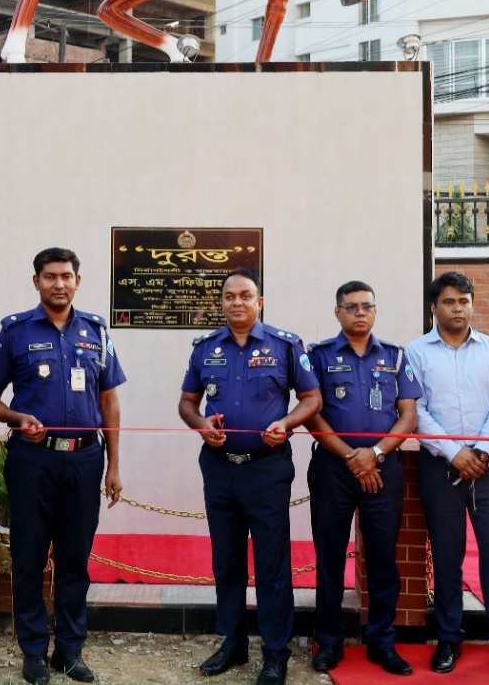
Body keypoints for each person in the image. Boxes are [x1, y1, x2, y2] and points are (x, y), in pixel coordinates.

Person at [0, 248, 126, 685]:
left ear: (78, 281)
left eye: (66, 276)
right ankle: (34, 652)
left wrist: (114, 464)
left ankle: (71, 651)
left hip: (84, 458)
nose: (58, 284)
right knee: (29, 558)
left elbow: (109, 400)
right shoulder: (16, 332)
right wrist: (16, 418)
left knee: (76, 559)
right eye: (49, 276)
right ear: (36, 281)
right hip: (32, 460)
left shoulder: (96, 331)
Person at [178, 268, 321, 685]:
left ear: (259, 301)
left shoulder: (285, 345)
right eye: (229, 296)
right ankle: (233, 642)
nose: (236, 302)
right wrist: (201, 423)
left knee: (272, 564)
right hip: (220, 468)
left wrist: (287, 422)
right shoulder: (205, 349)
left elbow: (311, 398)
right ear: (220, 302)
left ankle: (276, 652)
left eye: (245, 295)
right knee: (226, 561)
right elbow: (187, 403)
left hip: (267, 468)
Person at [406, 272, 489, 679]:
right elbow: (415, 412)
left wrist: (478, 451)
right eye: (449, 301)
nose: (457, 308)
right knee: (447, 557)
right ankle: (447, 639)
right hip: (439, 467)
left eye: (464, 300)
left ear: (472, 303)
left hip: (488, 467)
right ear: (434, 307)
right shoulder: (415, 352)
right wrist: (454, 452)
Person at [306, 281, 418, 677]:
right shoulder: (317, 356)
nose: (359, 312)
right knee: (330, 555)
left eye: (366, 306)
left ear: (375, 311)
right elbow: (311, 412)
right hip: (333, 468)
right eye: (350, 306)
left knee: (383, 557)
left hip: (382, 466)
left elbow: (408, 415)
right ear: (337, 312)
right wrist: (352, 457)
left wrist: (375, 454)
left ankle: (381, 641)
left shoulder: (394, 355)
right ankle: (329, 641)